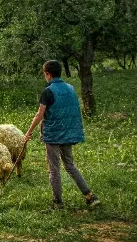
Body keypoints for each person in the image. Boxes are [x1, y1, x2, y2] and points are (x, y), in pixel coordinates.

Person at [23, 60, 101, 210]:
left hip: (53, 135)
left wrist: (28, 132)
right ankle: (90, 196)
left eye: (44, 74)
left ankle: (57, 203)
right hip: (68, 133)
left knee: (54, 169)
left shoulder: (47, 92)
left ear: (48, 74)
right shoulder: (70, 88)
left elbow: (40, 114)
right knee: (70, 166)